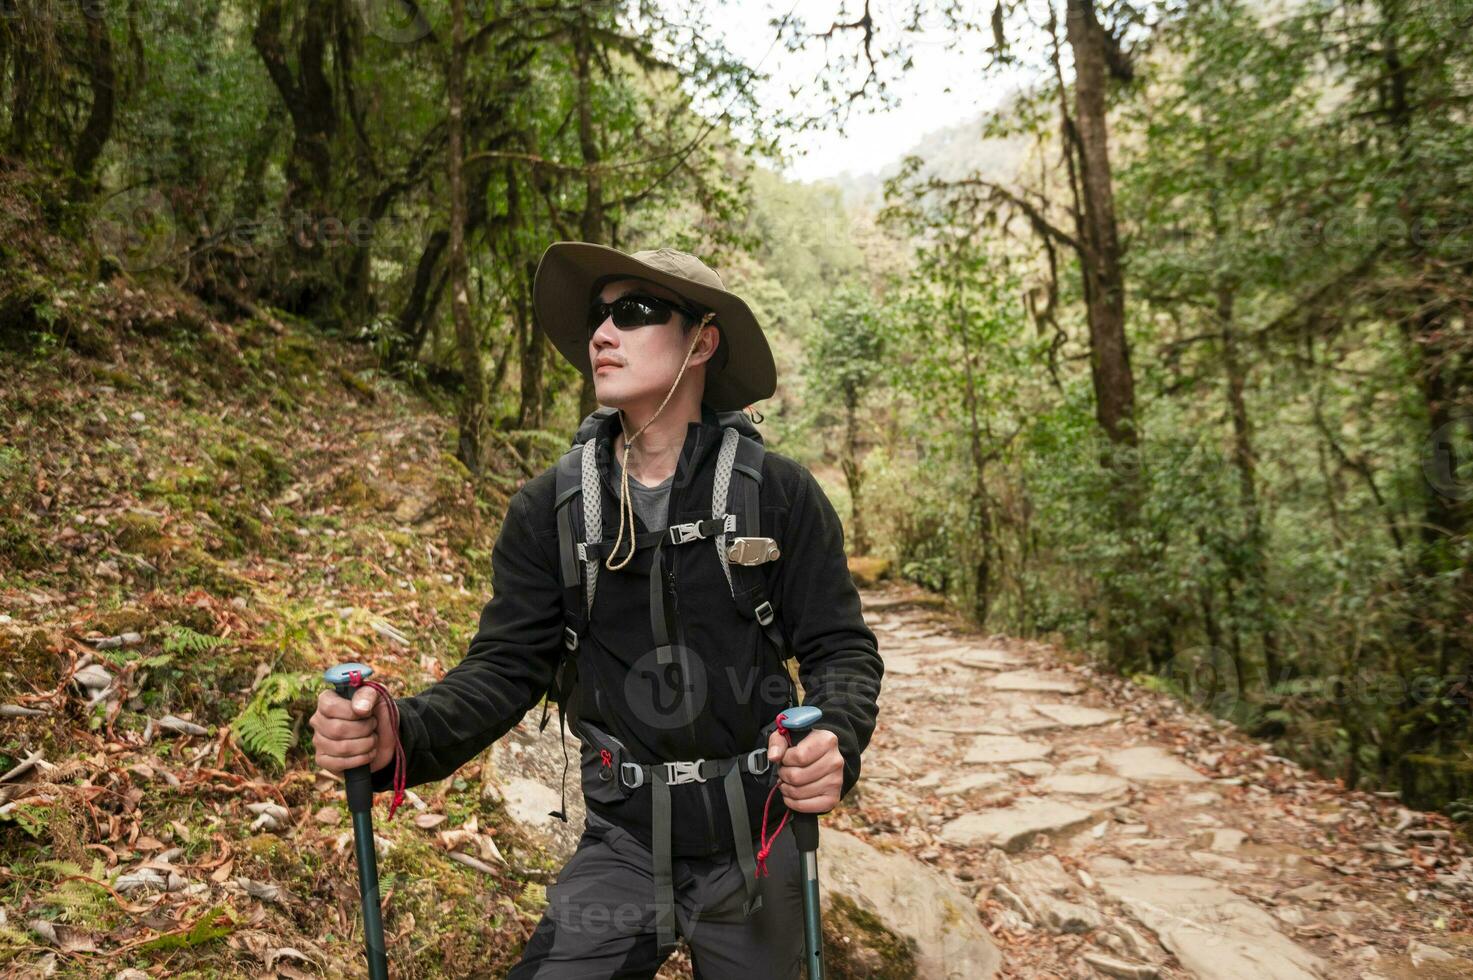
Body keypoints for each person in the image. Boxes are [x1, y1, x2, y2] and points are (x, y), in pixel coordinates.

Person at [309, 242, 884, 978]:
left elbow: (841, 650)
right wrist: (400, 734)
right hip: (623, 842)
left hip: (759, 836)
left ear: (701, 342)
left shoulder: (776, 493)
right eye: (597, 317)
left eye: (633, 312)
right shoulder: (547, 509)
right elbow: (505, 667)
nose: (601, 334)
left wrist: (834, 737)